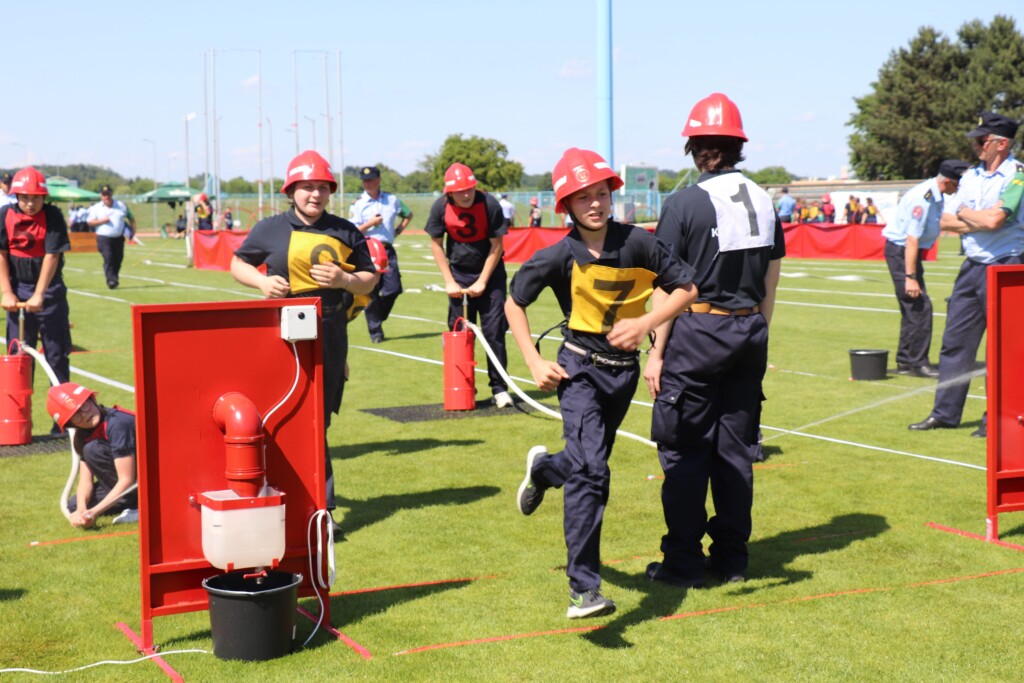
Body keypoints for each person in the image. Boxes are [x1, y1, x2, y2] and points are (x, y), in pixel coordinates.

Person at [507, 147, 697, 618]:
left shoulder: (639, 243)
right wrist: (531, 360)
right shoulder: (555, 256)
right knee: (593, 472)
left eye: (600, 193)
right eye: (581, 197)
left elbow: (687, 288)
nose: (594, 203)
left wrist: (648, 330)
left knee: (582, 463)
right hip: (578, 370)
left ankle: (546, 470)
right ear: (565, 206)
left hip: (623, 375)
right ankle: (583, 590)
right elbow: (514, 303)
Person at [645, 92, 784, 588]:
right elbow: (771, 277)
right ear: (736, 146)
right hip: (749, 330)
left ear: (694, 147)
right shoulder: (764, 198)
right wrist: (760, 334)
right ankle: (731, 559)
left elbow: (668, 286)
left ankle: (682, 562)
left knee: (684, 451)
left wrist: (655, 352)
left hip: (699, 332)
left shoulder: (683, 202)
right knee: (735, 453)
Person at [231, 150, 378, 531]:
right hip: (279, 333)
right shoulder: (269, 229)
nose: (314, 195)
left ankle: (320, 513)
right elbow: (237, 262)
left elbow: (370, 279)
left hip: (329, 334)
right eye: (307, 187)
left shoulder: (346, 230)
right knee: (280, 419)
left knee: (318, 423)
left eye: (321, 188)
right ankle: (282, 502)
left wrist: (345, 281)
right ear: (291, 190)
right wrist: (262, 282)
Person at [909, 112, 1024, 437]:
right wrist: (974, 216)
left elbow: (994, 222)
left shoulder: (1017, 175)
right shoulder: (972, 175)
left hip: (1006, 264)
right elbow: (944, 221)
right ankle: (945, 414)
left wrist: (966, 214)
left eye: (981, 140)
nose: (975, 146)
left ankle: (996, 420)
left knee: (1002, 348)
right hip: (972, 265)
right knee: (955, 343)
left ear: (1001, 143)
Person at [425, 162, 513, 409]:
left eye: (469, 189)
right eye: (460, 190)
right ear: (449, 192)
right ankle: (464, 386)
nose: (466, 194)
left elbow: (497, 246)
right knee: (461, 334)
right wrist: (449, 281)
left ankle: (499, 388)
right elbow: (435, 244)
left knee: (494, 331)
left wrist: (483, 281)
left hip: (491, 274)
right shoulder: (440, 207)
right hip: (459, 274)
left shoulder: (490, 204)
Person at [882, 160, 969, 378]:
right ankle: (918, 362)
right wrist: (911, 277)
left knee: (912, 308)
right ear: (948, 181)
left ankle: (905, 360)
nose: (959, 189)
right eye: (958, 184)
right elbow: (912, 239)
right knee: (921, 307)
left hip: (904, 252)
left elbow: (941, 223)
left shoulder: (934, 194)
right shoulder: (925, 197)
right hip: (903, 251)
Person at [0, 168, 73, 395]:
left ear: (44, 197)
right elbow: (1, 253)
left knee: (56, 353)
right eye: (24, 198)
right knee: (18, 355)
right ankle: (20, 420)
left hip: (49, 290)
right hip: (18, 286)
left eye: (35, 198)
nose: (30, 204)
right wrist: (7, 291)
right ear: (16, 196)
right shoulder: (4, 215)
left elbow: (52, 255)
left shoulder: (52, 216)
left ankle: (61, 420)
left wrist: (40, 293)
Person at [48, 382, 138, 527]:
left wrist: (93, 512)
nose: (84, 415)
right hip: (125, 483)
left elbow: (126, 479)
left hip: (147, 483)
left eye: (84, 406)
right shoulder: (84, 435)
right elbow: (85, 480)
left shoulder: (117, 424)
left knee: (93, 449)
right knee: (74, 506)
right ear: (72, 424)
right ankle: (129, 504)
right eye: (76, 416)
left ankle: (138, 505)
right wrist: (82, 510)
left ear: (92, 400)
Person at [349, 166, 406, 343]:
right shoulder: (358, 203)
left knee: (393, 288)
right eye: (365, 180)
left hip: (387, 249)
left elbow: (408, 214)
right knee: (371, 290)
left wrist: (397, 231)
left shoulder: (392, 199)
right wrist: (370, 223)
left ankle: (378, 315)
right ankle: (376, 332)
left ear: (379, 180)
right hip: (367, 249)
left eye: (371, 179)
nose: (368, 183)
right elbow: (353, 230)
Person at [86, 184, 131, 289]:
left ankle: (114, 278)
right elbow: (90, 222)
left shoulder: (121, 205)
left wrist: (132, 229)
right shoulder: (96, 208)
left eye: (108, 194)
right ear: (101, 196)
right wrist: (102, 221)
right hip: (104, 237)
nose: (106, 197)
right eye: (104, 195)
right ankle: (111, 280)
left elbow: (129, 216)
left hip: (118, 237)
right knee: (108, 257)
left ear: (111, 194)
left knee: (118, 259)